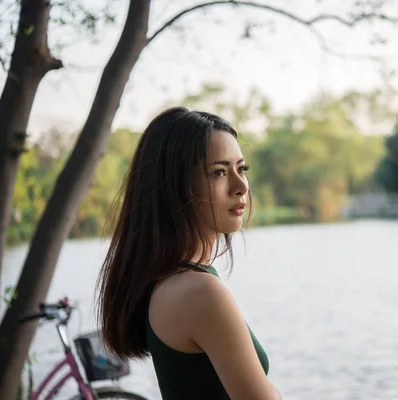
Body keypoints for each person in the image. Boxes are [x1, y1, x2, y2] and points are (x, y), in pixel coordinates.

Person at [96, 108, 282, 399]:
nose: (241, 186)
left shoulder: (170, 281)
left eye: (241, 169)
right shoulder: (200, 292)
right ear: (177, 186)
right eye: (219, 172)